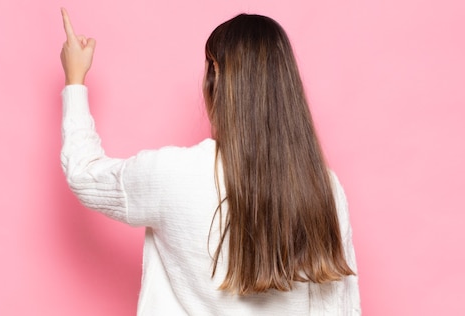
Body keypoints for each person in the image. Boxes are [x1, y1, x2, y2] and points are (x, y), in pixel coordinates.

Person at [59, 8, 361, 315]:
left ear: (215, 74)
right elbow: (342, 307)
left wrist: (74, 80)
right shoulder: (324, 187)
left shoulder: (173, 175)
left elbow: (84, 173)